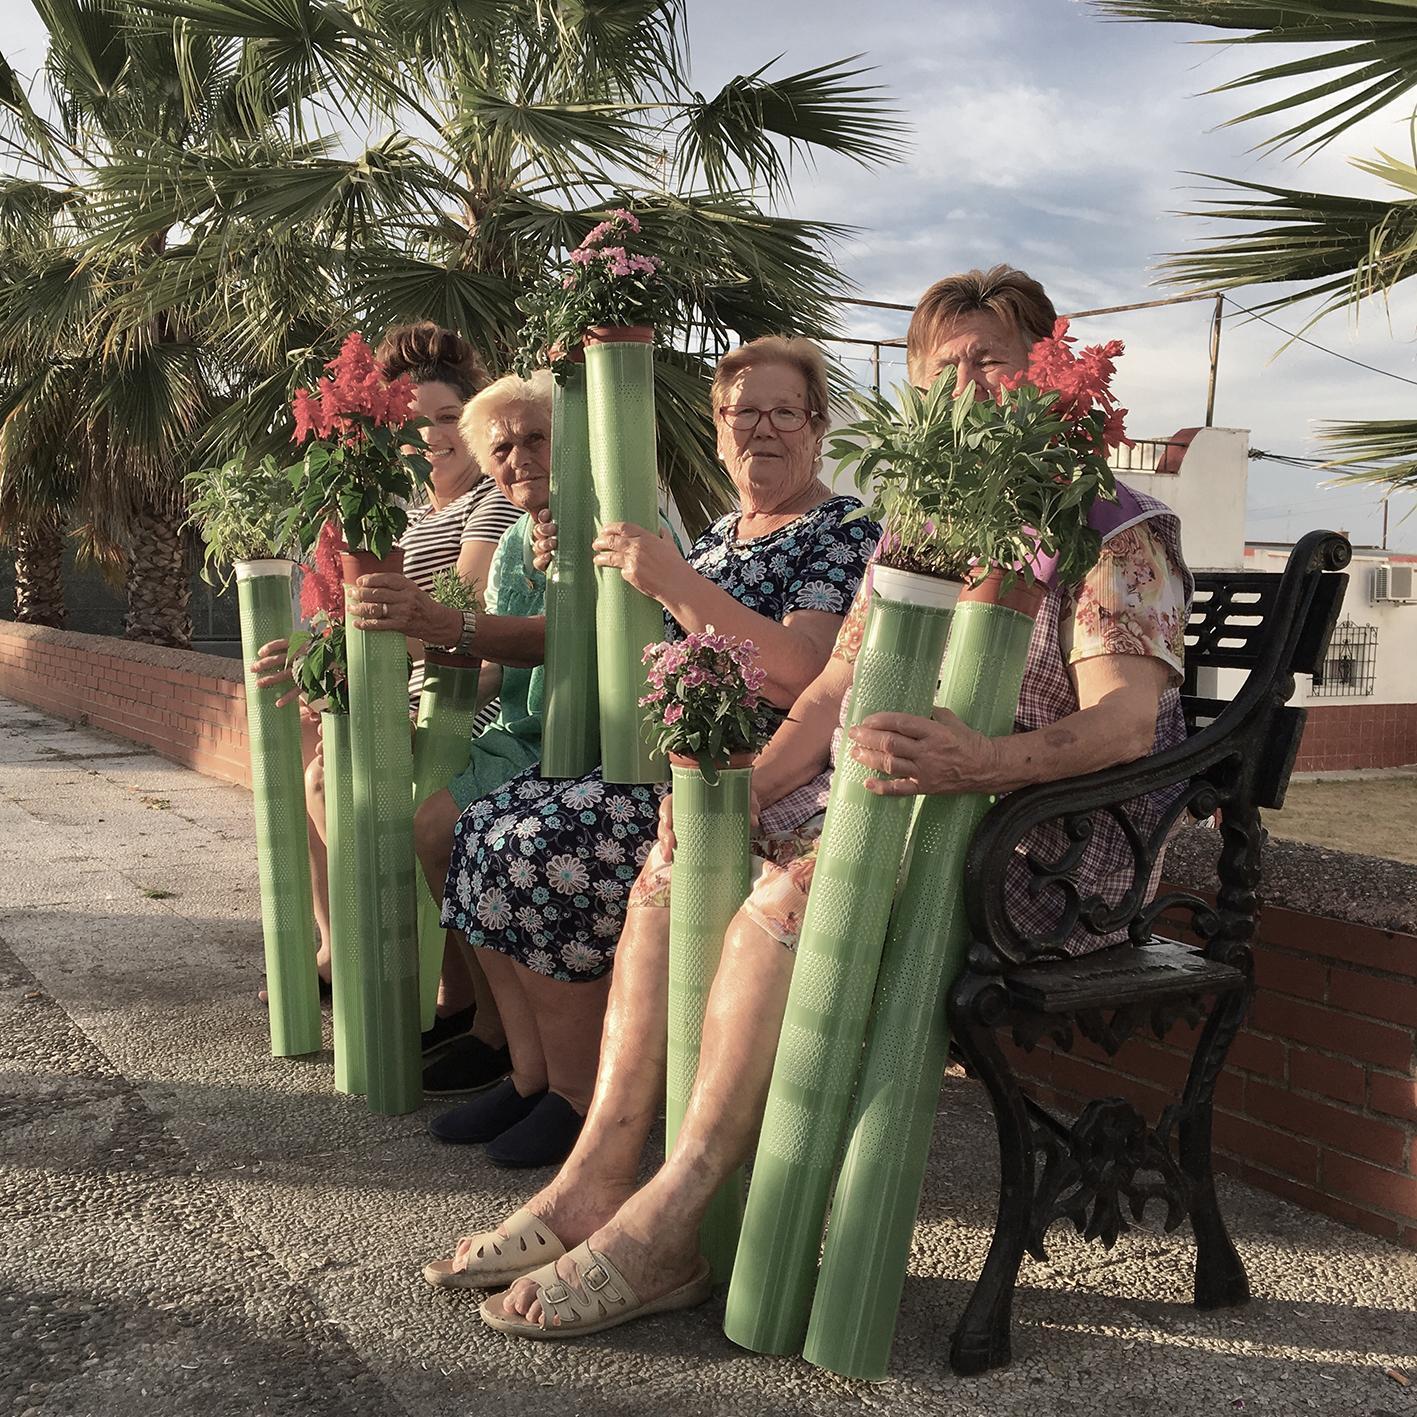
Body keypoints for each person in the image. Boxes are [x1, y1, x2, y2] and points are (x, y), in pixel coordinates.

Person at [428, 266, 1193, 1339]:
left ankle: (670, 1222)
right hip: (899, 802)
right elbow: (835, 688)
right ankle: (595, 1176)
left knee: (783, 904)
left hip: (1039, 845)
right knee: (674, 864)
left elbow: (1123, 726)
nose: (967, 385)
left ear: (1038, 371)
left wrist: (979, 760)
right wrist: (742, 793)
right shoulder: (925, 521)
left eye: (990, 360)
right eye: (943, 368)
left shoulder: (1110, 527)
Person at [425, 336, 880, 1170]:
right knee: (480, 825)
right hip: (658, 757)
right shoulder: (716, 535)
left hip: (743, 772)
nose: (761, 429)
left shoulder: (841, 530)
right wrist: (574, 571)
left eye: (785, 412)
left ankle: (579, 1095)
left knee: (540, 845)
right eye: (742, 412)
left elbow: (801, 672)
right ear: (717, 431)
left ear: (817, 427)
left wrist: (671, 580)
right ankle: (531, 1074)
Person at [251, 323, 517, 1018]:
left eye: (448, 418)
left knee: (328, 775)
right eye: (414, 422)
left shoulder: (490, 500)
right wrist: (319, 667)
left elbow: (460, 612)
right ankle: (337, 941)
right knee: (298, 735)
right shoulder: (406, 512)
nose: (433, 436)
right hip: (397, 685)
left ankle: (403, 955)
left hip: (460, 693)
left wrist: (350, 662)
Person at [345, 371, 562, 1085]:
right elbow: (500, 665)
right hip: (521, 729)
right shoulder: (516, 540)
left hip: (588, 736)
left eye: (535, 439)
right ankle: (489, 1022)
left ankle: (509, 1040)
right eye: (501, 448)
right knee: (415, 815)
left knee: (444, 826)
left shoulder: (600, 520)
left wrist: (448, 626)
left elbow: (561, 638)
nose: (519, 458)